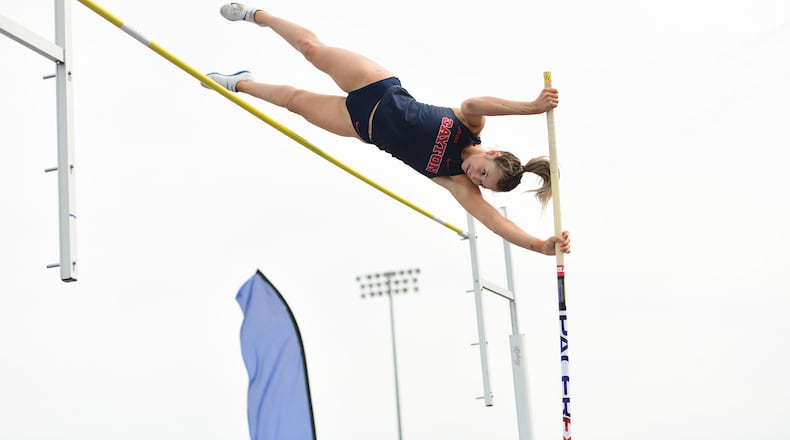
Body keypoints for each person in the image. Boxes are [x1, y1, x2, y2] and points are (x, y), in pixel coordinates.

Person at [205, 3, 571, 256]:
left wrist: (539, 245)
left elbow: (495, 225)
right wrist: (532, 108)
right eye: (483, 173)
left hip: (361, 125)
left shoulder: (456, 182)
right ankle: (258, 15)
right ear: (490, 153)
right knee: (311, 49)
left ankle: (239, 84)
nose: (475, 178)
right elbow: (475, 102)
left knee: (295, 102)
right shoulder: (469, 126)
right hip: (375, 86)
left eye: (482, 184)